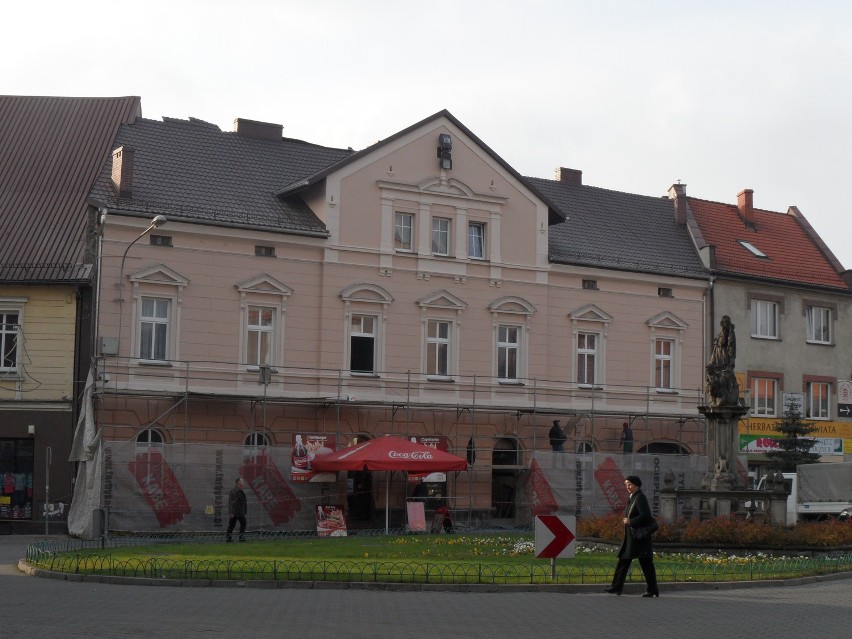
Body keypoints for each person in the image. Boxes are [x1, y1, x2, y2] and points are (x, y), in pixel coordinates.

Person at [605, 475, 659, 597]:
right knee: (626, 561)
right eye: (626, 484)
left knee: (643, 563)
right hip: (633, 538)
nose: (627, 487)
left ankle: (650, 589)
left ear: (637, 485)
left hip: (638, 538)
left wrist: (631, 521)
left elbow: (645, 515)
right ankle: (617, 587)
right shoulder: (633, 497)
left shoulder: (640, 498)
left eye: (629, 484)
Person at [226, 477, 247, 542]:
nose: (243, 482)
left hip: (237, 511)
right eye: (242, 481)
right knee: (243, 523)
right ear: (238, 483)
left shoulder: (237, 490)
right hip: (237, 512)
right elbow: (233, 502)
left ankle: (229, 539)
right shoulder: (236, 491)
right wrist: (232, 512)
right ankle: (241, 538)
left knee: (232, 525)